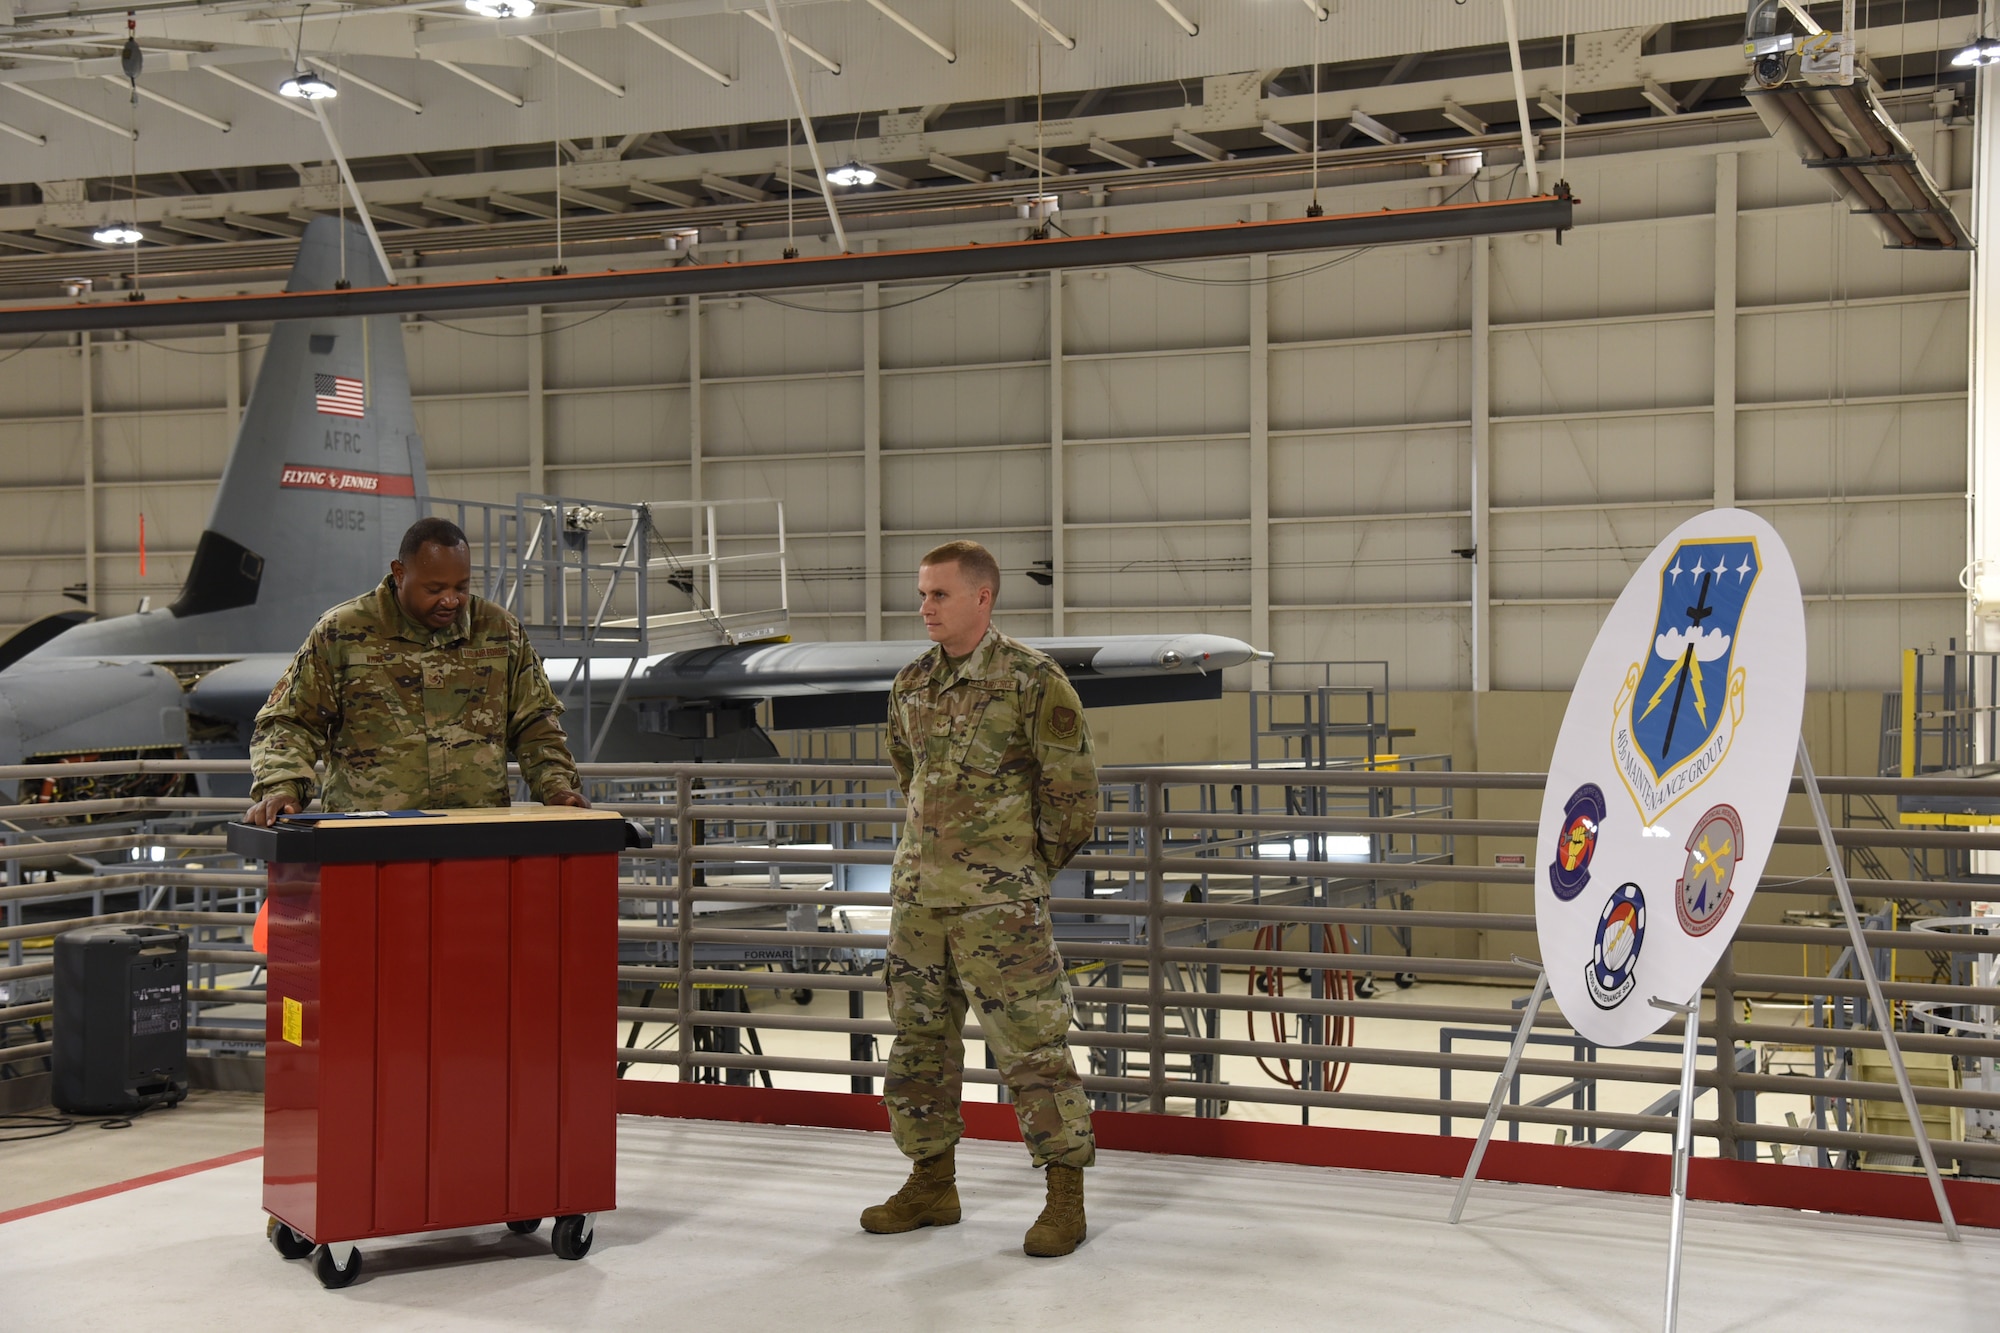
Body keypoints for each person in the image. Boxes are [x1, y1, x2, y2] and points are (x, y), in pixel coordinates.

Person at [863, 539, 1100, 1258]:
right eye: (922, 593)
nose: (924, 606)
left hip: (1000, 912)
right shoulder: (910, 684)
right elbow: (908, 774)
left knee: (1033, 1049)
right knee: (919, 1050)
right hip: (920, 906)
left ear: (981, 598)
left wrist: (1019, 872)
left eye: (938, 594)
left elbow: (1075, 796)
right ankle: (932, 1182)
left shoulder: (1033, 680)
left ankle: (1066, 1199)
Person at [243, 517, 588, 826]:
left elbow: (535, 723)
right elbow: (290, 721)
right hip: (369, 836)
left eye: (461, 587)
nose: (451, 600)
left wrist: (557, 787)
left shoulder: (499, 631)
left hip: (475, 833)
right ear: (399, 573)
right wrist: (281, 788)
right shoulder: (342, 632)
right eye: (435, 589)